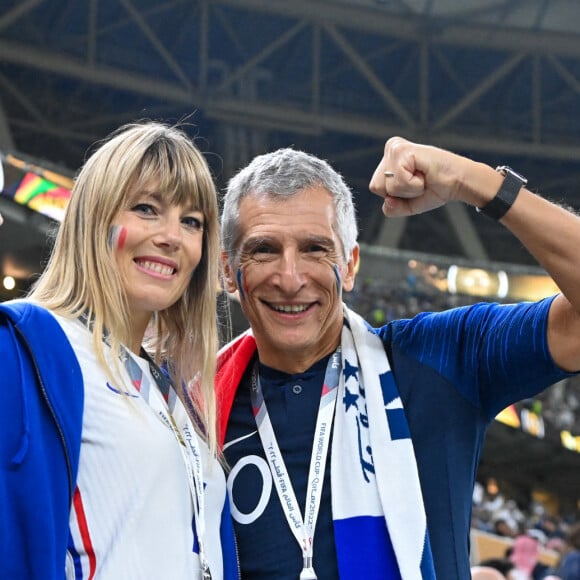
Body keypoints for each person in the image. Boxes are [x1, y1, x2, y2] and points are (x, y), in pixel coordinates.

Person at [215, 138, 580, 579]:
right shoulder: (191, 408)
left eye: (315, 248)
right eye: (264, 250)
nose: (290, 279)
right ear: (228, 271)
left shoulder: (439, 358)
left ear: (349, 266)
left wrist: (475, 181)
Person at [0, 121, 238, 579]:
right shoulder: (26, 348)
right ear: (95, 220)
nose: (172, 236)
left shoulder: (175, 394)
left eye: (191, 221)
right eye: (147, 209)